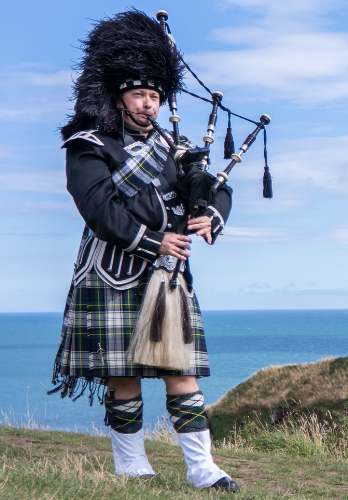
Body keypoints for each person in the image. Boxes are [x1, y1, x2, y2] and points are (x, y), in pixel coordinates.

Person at [50, 10, 238, 492]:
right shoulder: (89, 145)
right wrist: (157, 238)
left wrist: (211, 213)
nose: (150, 105)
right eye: (141, 95)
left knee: (182, 373)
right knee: (123, 377)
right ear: (118, 96)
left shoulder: (174, 147)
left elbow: (210, 185)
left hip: (168, 276)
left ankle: (202, 469)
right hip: (112, 272)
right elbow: (97, 208)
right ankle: (132, 466)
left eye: (156, 96)